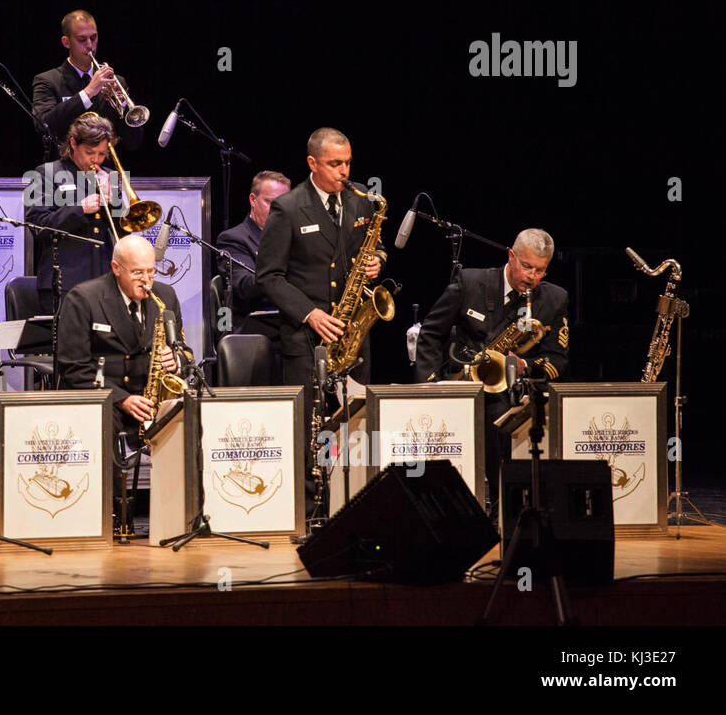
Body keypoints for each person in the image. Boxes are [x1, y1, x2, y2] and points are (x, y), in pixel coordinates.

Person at [414, 228, 570, 514]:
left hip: (518, 393)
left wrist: (523, 365)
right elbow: (430, 334)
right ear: (511, 256)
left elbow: (558, 360)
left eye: (540, 271)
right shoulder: (470, 282)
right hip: (465, 385)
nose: (531, 278)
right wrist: (431, 388)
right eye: (526, 267)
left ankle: (508, 513)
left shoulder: (555, 299)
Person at [256, 128, 385, 387]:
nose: (344, 171)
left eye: (347, 163)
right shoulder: (288, 207)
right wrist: (309, 313)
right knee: (309, 424)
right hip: (306, 340)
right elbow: (268, 276)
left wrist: (378, 260)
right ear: (312, 163)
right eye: (334, 164)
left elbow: (376, 244)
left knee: (356, 424)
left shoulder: (361, 198)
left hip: (353, 336)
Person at [55, 234, 191, 442]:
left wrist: (177, 359)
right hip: (108, 397)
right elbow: (73, 368)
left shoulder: (166, 295)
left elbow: (184, 351)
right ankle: (114, 476)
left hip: (152, 398)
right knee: (103, 423)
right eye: (137, 273)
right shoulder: (83, 299)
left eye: (150, 272)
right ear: (116, 268)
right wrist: (122, 399)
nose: (146, 280)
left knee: (193, 418)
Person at [24, 112, 123, 316]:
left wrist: (114, 201)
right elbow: (37, 226)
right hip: (64, 283)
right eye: (90, 152)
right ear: (73, 143)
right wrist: (79, 209)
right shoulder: (45, 173)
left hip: (104, 280)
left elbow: (123, 232)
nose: (96, 159)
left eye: (102, 154)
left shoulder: (108, 176)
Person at [32, 10, 144, 160]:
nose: (90, 45)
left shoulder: (116, 82)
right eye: (82, 39)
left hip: (105, 173)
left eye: (93, 38)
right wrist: (88, 92)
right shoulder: (47, 80)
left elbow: (133, 143)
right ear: (66, 42)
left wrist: (123, 107)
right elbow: (44, 126)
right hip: (64, 174)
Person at [215, 170, 292, 342]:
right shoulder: (233, 239)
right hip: (256, 332)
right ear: (253, 200)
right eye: (270, 202)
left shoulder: (294, 236)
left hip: (293, 323)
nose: (277, 211)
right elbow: (244, 288)